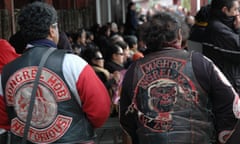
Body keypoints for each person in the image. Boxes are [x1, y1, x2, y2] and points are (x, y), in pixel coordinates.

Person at [119, 12, 240, 144]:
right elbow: (233, 107)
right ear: (179, 35)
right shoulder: (200, 63)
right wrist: (221, 136)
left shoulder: (133, 71)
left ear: (146, 40)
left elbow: (126, 120)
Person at [0, 2, 111, 144]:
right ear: (52, 30)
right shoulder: (73, 63)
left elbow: (3, 120)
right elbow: (100, 109)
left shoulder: (7, 72)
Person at [203, 0, 240, 93]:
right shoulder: (217, 28)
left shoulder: (224, 25)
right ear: (225, 10)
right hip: (227, 84)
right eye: (235, 10)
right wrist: (239, 30)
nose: (237, 13)